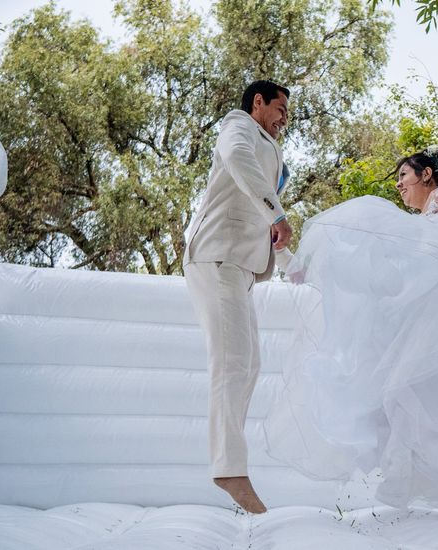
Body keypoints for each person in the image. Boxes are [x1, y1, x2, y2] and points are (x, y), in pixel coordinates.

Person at [265, 145, 438, 508]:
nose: (398, 185)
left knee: (432, 387)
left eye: (403, 176)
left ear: (427, 174)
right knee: (413, 389)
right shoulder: (425, 217)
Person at [183, 80, 294, 514]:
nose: (285, 117)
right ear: (258, 102)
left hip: (240, 268)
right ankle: (230, 468)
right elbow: (235, 158)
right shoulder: (239, 125)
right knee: (231, 362)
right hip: (216, 256)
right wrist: (277, 212)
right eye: (280, 108)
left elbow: (264, 220)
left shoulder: (268, 144)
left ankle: (230, 462)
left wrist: (293, 263)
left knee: (249, 363)